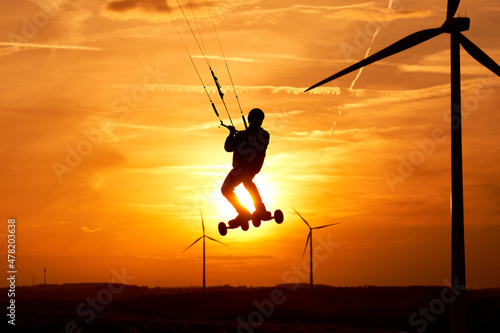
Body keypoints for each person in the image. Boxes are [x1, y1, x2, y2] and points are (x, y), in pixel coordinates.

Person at [221, 108, 272, 225]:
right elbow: (228, 148)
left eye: (259, 119)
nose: (256, 121)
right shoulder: (242, 135)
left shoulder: (263, 134)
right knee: (227, 189)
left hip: (250, 167)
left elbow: (261, 143)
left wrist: (246, 135)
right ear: (250, 120)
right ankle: (244, 212)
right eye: (254, 119)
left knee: (247, 182)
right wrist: (231, 134)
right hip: (239, 169)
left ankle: (259, 209)